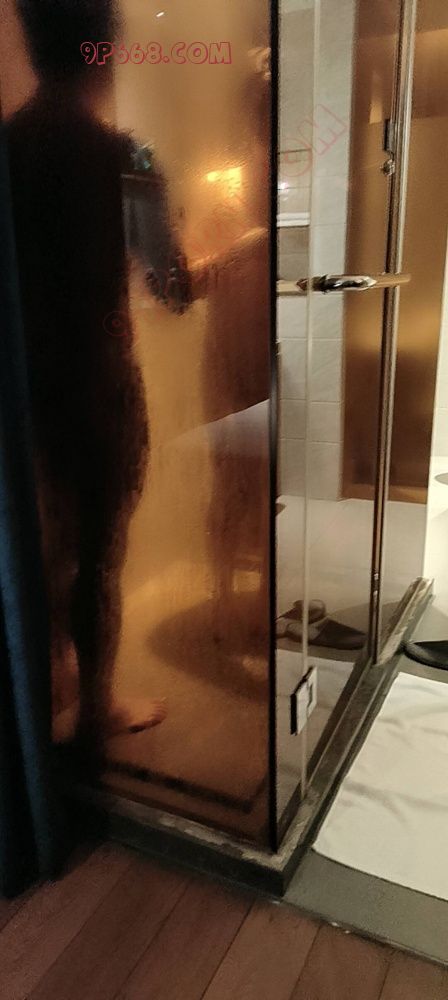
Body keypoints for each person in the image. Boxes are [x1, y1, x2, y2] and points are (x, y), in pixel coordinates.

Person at [7, 0, 269, 750]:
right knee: (100, 549)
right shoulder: (127, 156)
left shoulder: (10, 146)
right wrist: (249, 246)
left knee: (46, 540)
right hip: (98, 382)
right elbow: (175, 287)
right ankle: (96, 707)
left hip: (25, 383)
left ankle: (50, 679)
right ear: (106, 47)